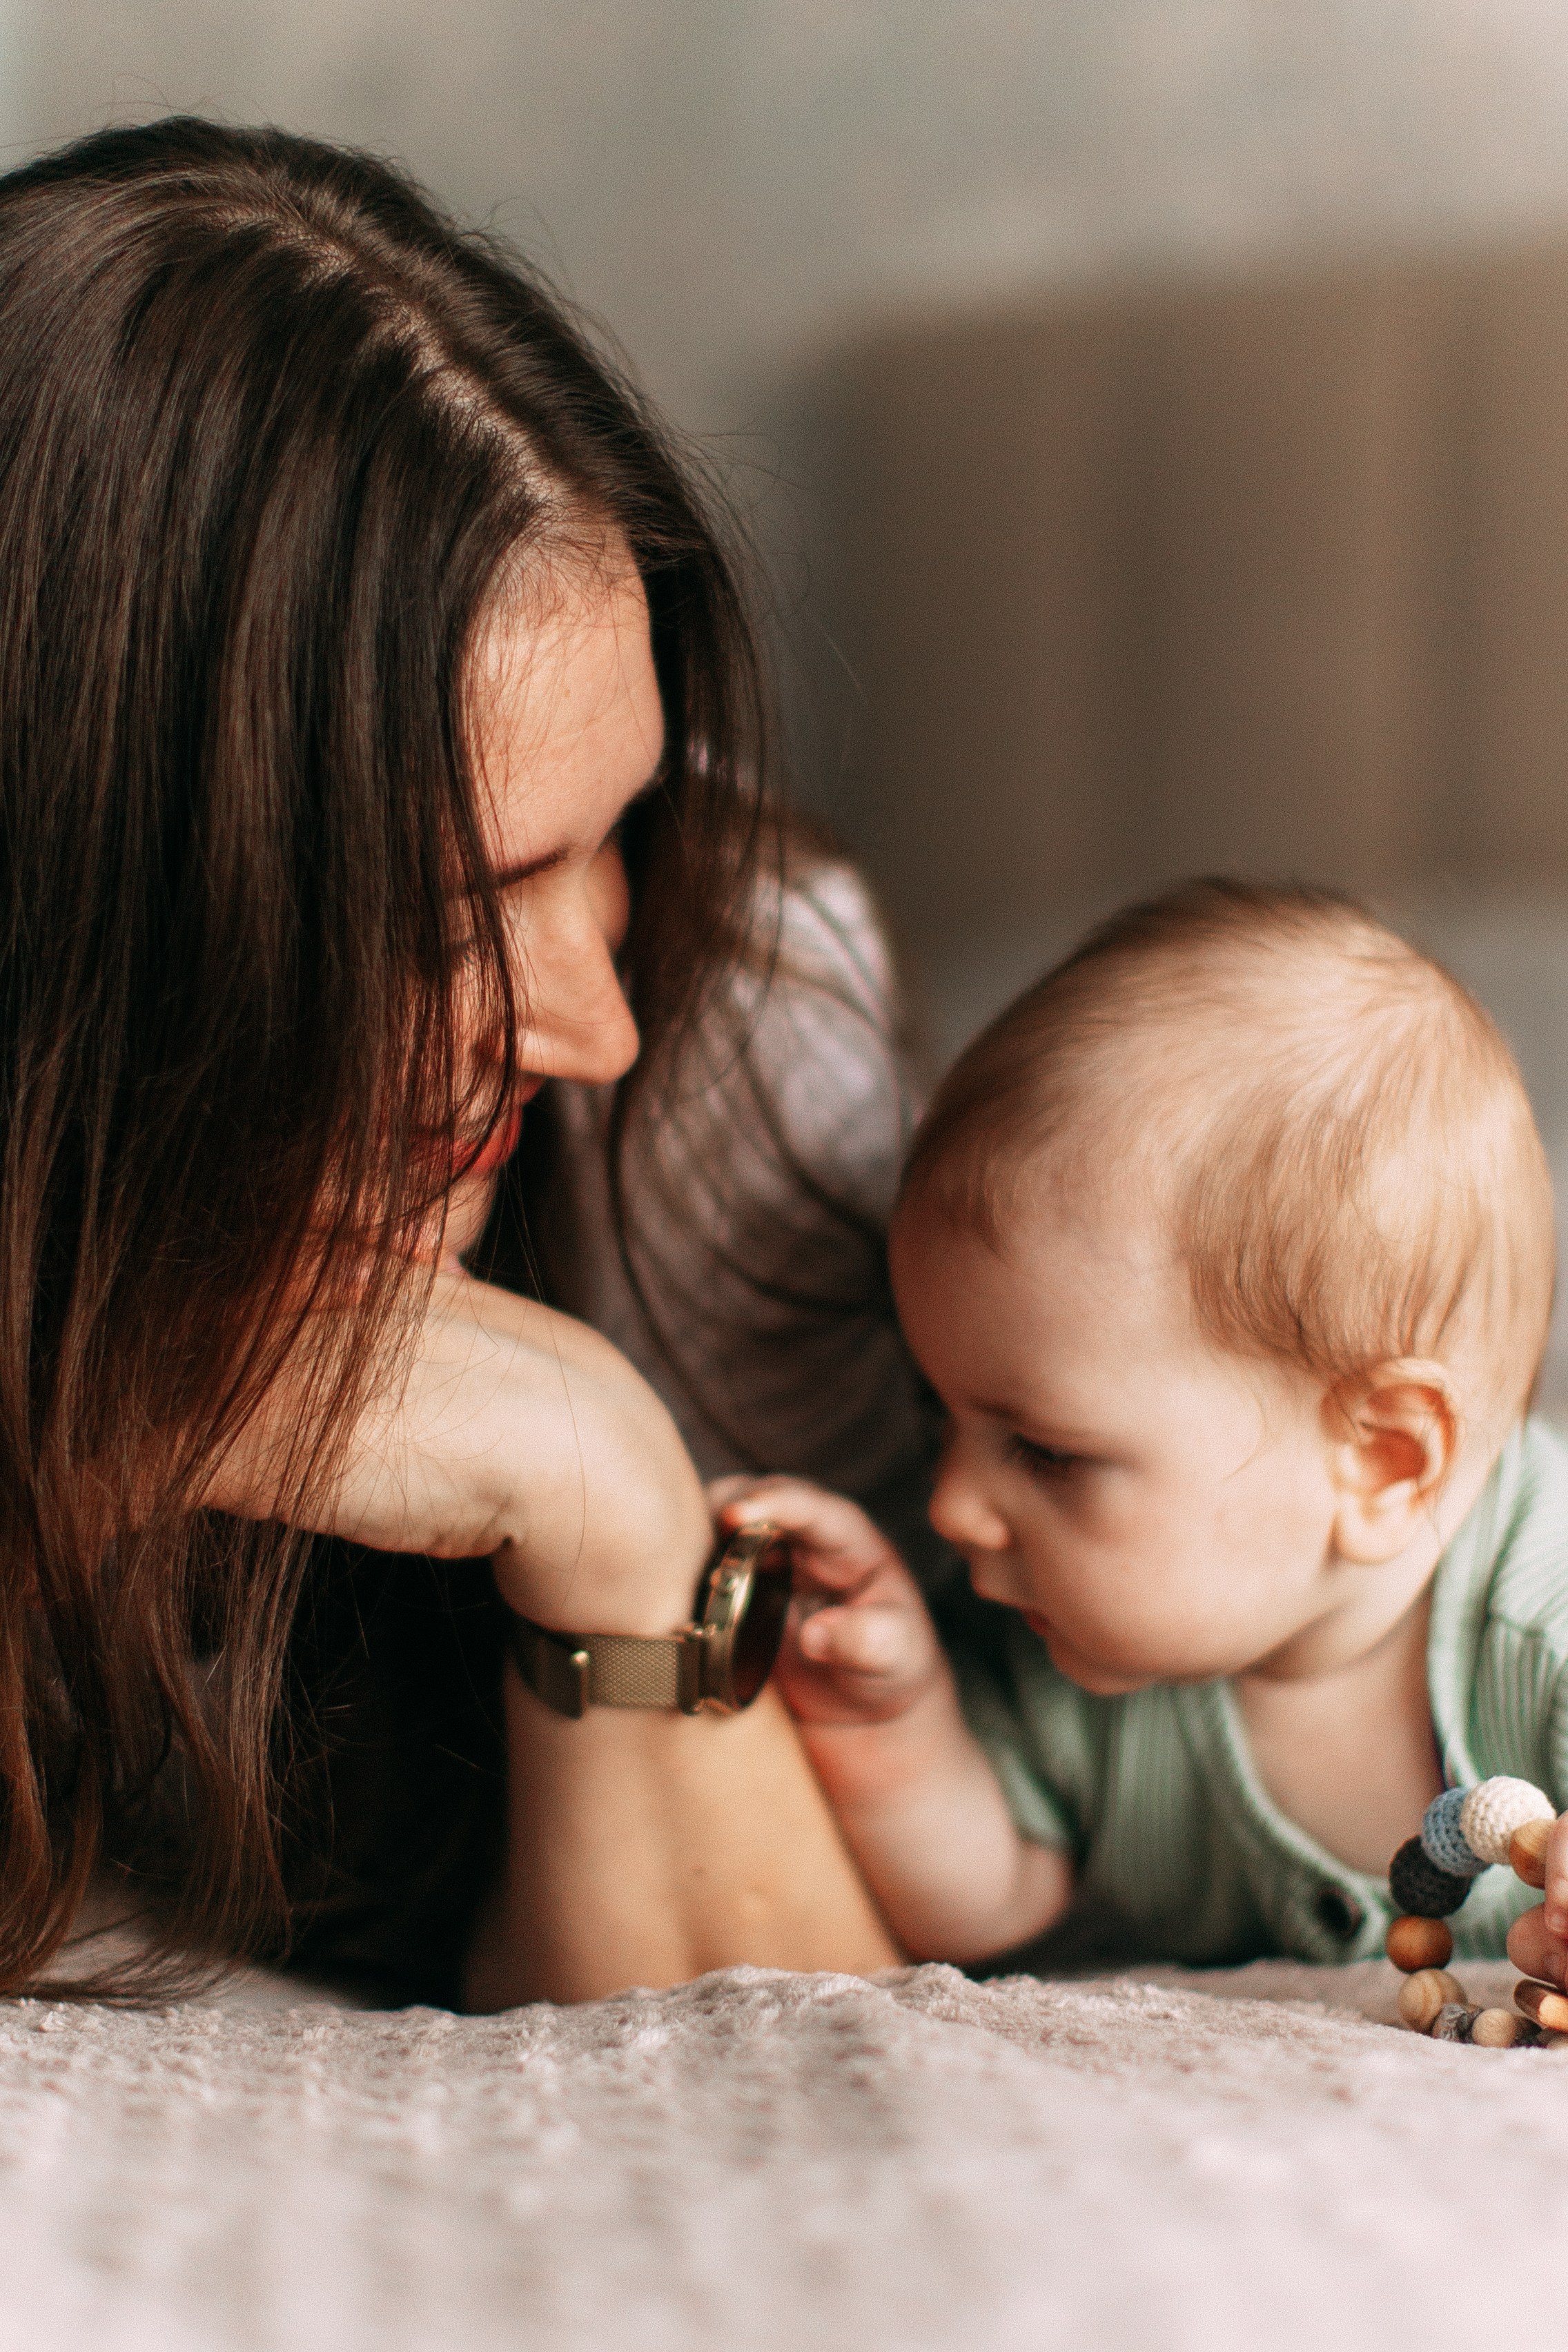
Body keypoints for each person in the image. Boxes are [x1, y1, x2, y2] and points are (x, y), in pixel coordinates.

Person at [0, 115, 914, 2006]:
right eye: (454, 909)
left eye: (617, 835)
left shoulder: (738, 1037)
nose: (597, 1029)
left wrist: (603, 1491)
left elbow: (821, 2068)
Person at [715, 881, 1568, 1969]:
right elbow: (997, 1904)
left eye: (1045, 1451)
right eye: (942, 1415)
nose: (951, 1506)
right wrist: (891, 1729)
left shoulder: (1546, 1619)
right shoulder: (1074, 1661)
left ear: (1381, 1461)